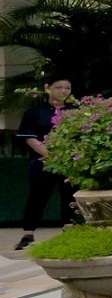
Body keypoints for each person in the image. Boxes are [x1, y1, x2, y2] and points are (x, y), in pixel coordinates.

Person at [15, 75, 73, 248]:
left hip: (70, 162)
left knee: (70, 195)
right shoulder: (34, 112)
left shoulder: (76, 112)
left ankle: (70, 230)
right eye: (59, 87)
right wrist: (49, 155)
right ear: (48, 88)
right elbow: (30, 138)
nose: (63, 91)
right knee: (37, 197)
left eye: (67, 88)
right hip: (42, 162)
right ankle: (28, 234)